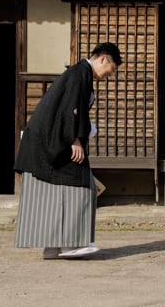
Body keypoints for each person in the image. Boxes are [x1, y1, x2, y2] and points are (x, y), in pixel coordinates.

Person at [14, 42, 121, 260]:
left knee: (56, 192)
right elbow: (69, 108)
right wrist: (74, 140)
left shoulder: (79, 74)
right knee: (81, 185)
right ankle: (70, 244)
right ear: (104, 59)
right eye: (112, 69)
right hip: (56, 141)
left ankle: (53, 247)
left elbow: (72, 109)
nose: (110, 75)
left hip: (49, 140)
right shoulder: (80, 73)